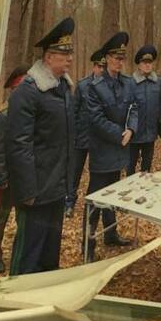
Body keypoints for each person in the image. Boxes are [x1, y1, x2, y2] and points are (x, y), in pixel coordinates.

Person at [6, 18, 76, 275]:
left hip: (56, 188)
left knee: (49, 255)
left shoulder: (63, 88)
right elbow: (18, 145)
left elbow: (63, 141)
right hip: (35, 192)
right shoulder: (28, 91)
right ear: (48, 57)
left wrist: (67, 184)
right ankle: (16, 297)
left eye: (70, 53)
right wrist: (28, 192)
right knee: (28, 257)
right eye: (64, 54)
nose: (70, 59)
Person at [85, 31, 138, 261]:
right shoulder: (95, 87)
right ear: (106, 59)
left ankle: (111, 234)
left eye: (122, 58)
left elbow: (134, 108)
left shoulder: (128, 83)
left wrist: (131, 129)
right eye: (116, 58)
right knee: (95, 200)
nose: (119, 62)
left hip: (120, 152)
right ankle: (87, 244)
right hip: (102, 152)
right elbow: (96, 120)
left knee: (112, 196)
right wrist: (119, 134)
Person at [0, 65, 28, 274]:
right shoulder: (2, 116)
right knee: (0, 219)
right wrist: (1, 179)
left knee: (24, 218)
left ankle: (21, 254)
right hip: (6, 179)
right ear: (14, 90)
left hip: (25, 178)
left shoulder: (31, 114)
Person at [68, 48, 104, 216]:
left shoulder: (108, 86)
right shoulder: (82, 85)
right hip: (81, 136)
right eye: (99, 66)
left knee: (96, 174)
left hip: (98, 139)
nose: (101, 70)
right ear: (94, 67)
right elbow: (74, 112)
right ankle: (69, 202)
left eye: (104, 67)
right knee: (74, 172)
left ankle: (92, 206)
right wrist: (73, 134)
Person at [128, 44, 161, 175]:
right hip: (134, 134)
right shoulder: (130, 82)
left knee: (147, 169)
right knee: (130, 167)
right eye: (144, 62)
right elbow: (127, 109)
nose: (148, 65)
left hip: (150, 133)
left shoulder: (158, 82)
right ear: (139, 64)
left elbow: (160, 106)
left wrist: (160, 127)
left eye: (150, 62)